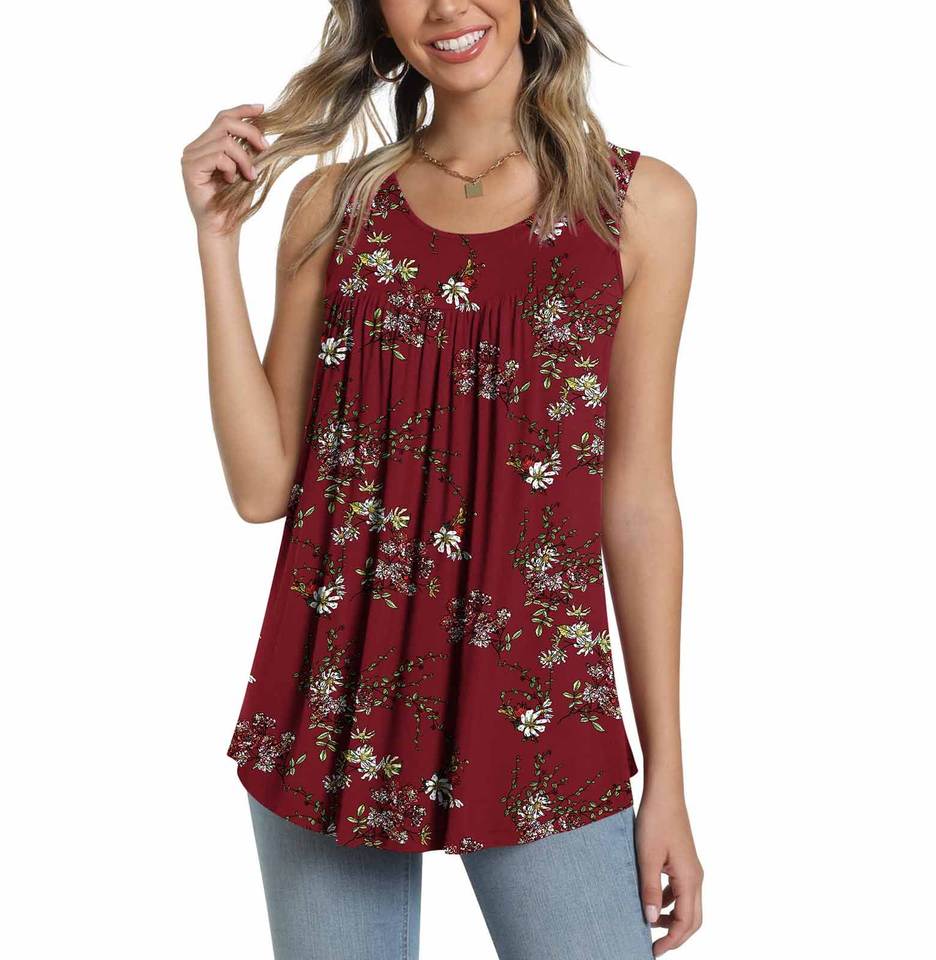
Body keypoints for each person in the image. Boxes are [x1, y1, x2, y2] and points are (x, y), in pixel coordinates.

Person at [181, 2, 702, 958]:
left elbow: (636, 500)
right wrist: (217, 243)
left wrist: (667, 773)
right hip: (335, 697)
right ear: (378, 17)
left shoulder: (637, 206)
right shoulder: (334, 206)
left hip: (538, 702)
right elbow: (261, 488)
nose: (448, 6)